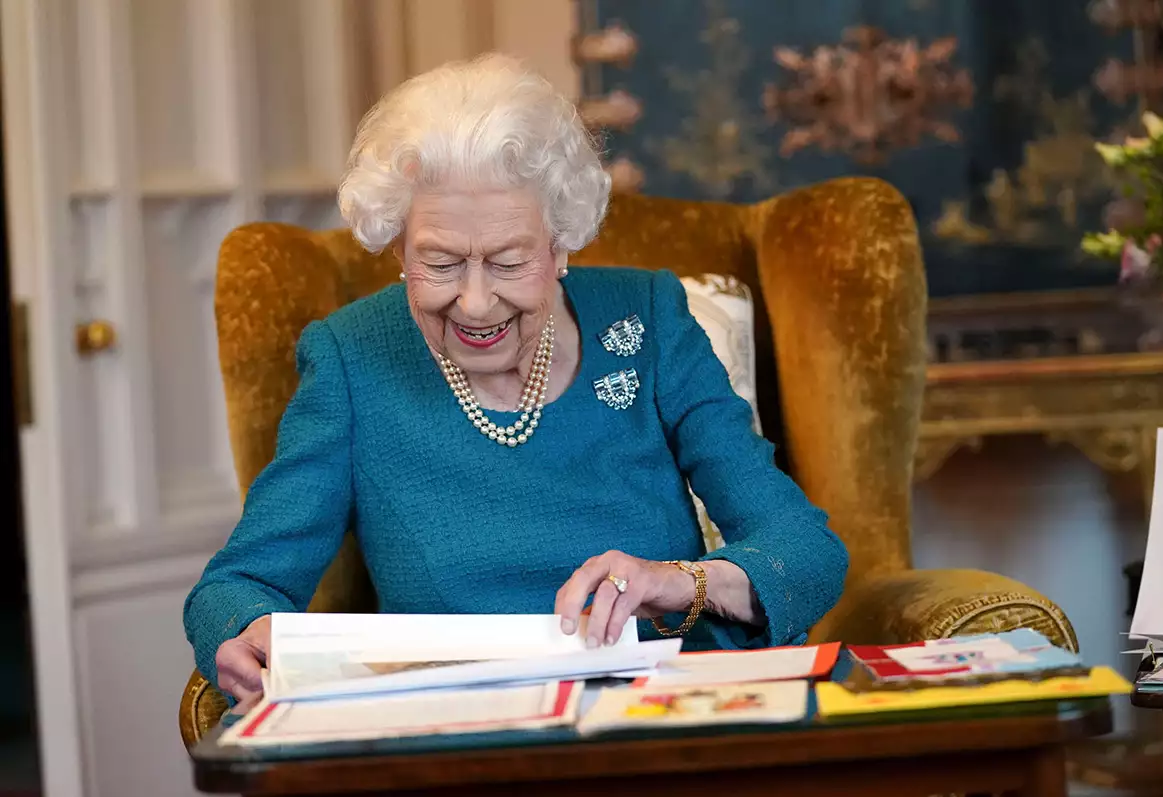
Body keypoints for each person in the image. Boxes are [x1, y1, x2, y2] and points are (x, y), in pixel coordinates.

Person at [183, 53, 848, 711]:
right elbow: (238, 583)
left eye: (508, 261)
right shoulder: (353, 357)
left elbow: (806, 550)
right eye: (440, 262)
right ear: (399, 249)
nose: (475, 303)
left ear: (560, 244)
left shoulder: (646, 319)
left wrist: (681, 582)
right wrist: (248, 630)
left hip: (661, 725)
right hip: (462, 739)